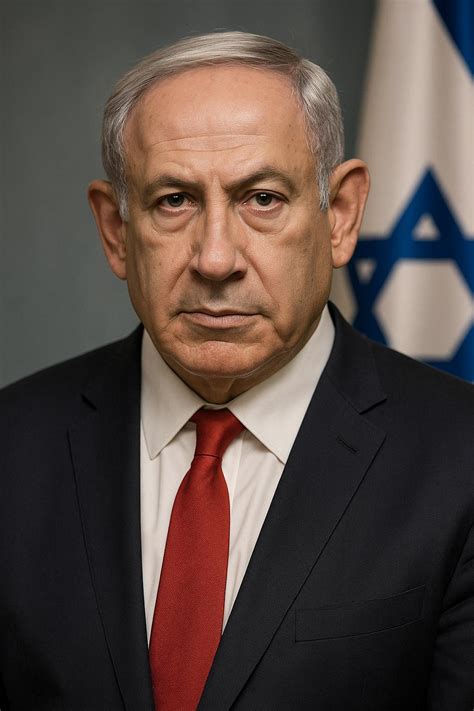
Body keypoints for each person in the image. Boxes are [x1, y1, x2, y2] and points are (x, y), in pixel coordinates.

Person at [0, 31, 472, 711]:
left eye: (262, 198)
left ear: (340, 216)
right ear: (115, 230)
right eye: (174, 200)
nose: (216, 258)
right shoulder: (13, 448)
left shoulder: (461, 459)